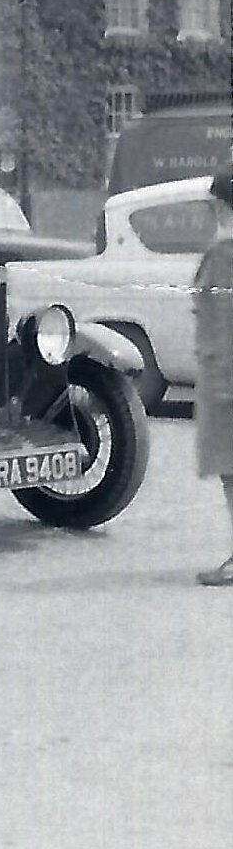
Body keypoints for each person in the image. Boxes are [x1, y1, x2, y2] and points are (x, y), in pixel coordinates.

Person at [193, 162, 233, 586]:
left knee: (232, 470)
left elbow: (223, 321)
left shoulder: (224, 252)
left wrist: (223, 383)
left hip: (227, 375)